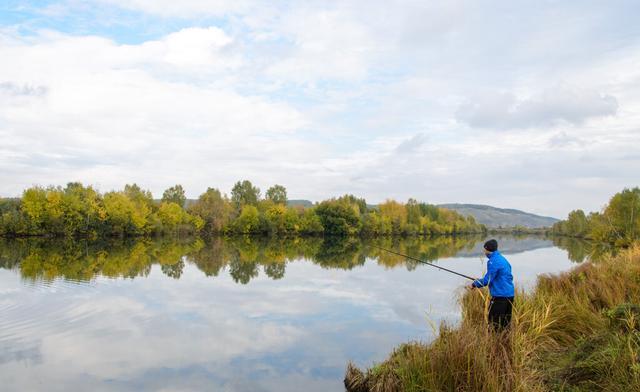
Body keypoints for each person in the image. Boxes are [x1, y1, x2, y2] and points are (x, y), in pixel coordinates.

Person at [470, 239, 515, 330]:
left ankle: (495, 342)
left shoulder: (493, 261)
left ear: (487, 250)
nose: (484, 252)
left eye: (484, 250)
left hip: (500, 297)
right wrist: (480, 280)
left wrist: (474, 284)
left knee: (494, 324)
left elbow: (487, 280)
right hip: (509, 295)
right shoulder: (502, 259)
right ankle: (505, 341)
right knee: (505, 324)